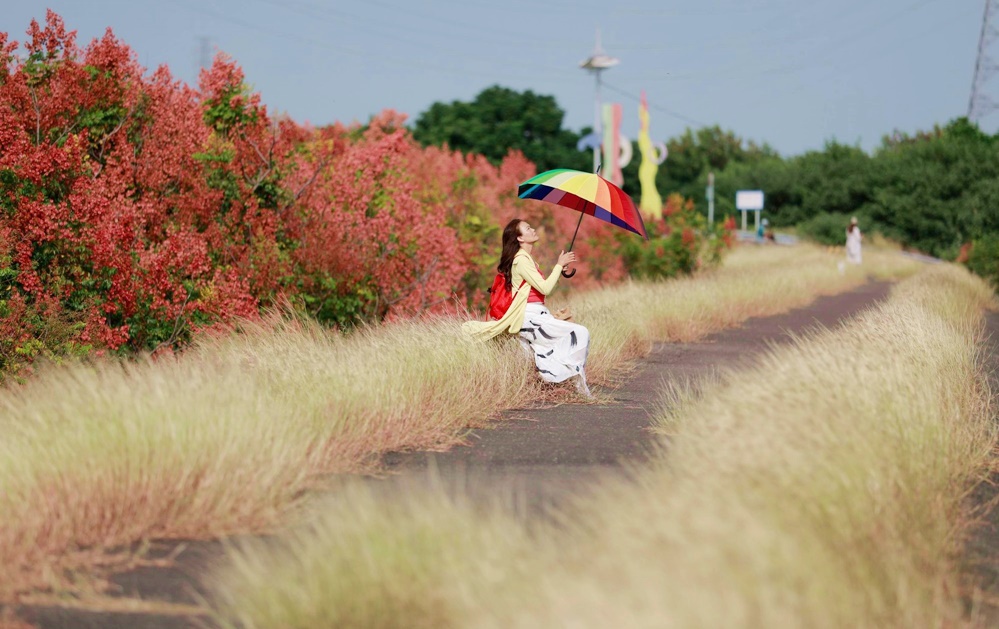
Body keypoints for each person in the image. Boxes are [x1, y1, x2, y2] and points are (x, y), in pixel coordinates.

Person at [462, 218, 592, 397]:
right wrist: (559, 265)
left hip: (536, 314)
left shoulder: (527, 260)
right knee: (579, 333)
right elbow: (545, 288)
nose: (533, 229)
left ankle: (568, 385)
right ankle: (572, 385)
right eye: (527, 228)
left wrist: (559, 270)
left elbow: (539, 290)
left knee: (539, 353)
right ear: (520, 238)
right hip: (530, 317)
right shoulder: (521, 260)